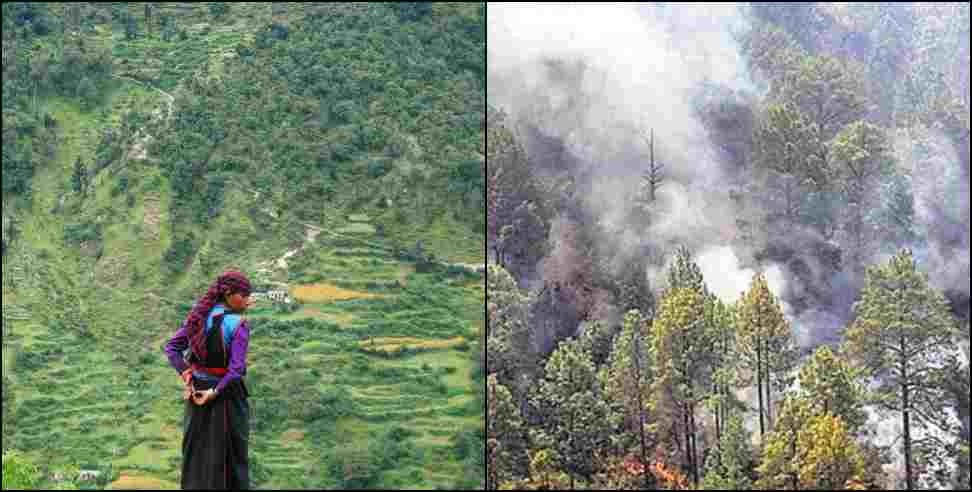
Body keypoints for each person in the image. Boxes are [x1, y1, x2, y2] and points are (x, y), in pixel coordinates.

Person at [163, 270, 255, 490]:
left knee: (197, 452)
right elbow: (235, 370)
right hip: (226, 396)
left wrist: (187, 374)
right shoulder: (238, 324)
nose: (248, 301)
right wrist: (214, 392)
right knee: (231, 454)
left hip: (197, 394)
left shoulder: (198, 317)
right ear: (229, 294)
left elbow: (172, 348)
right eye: (244, 295)